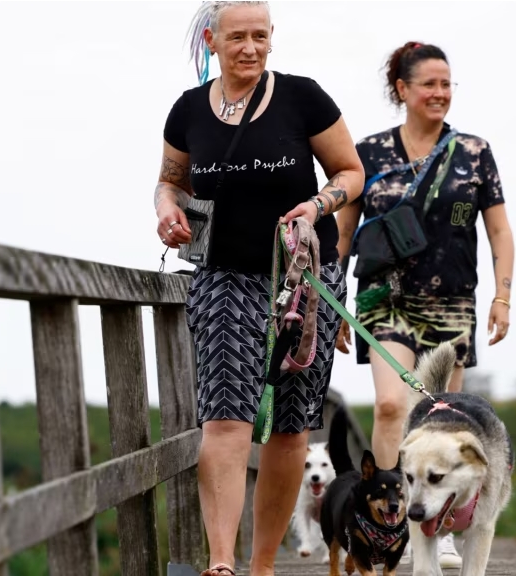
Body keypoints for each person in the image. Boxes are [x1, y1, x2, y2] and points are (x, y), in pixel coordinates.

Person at [153, 3, 365, 575]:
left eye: (261, 36)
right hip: (224, 276)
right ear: (212, 40)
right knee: (224, 418)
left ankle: (263, 564)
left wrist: (318, 204)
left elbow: (351, 172)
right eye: (239, 37)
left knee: (291, 427)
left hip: (302, 279)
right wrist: (166, 210)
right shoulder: (189, 110)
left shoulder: (303, 97)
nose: (251, 47)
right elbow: (170, 180)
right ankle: (222, 563)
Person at [334, 40, 516, 568]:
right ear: (402, 90)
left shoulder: (475, 152)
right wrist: (334, 301)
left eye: (447, 84)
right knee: (394, 406)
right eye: (429, 84)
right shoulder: (368, 153)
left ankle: (448, 521)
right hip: (382, 298)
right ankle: (391, 521)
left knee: (445, 421)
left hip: (452, 300)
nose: (440, 93)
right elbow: (345, 231)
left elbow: (500, 230)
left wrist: (503, 295)